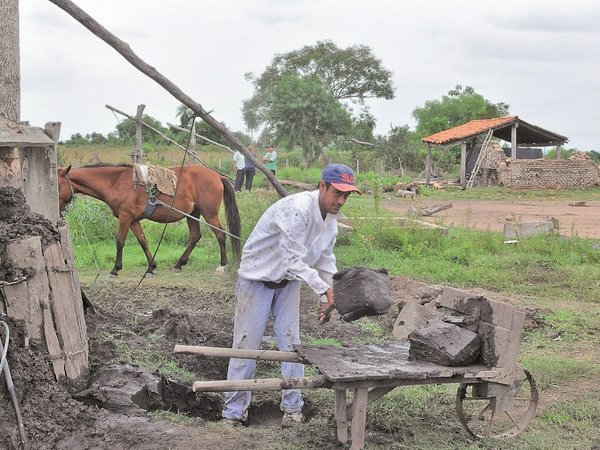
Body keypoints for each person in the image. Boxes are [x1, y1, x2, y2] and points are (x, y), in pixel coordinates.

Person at [222, 163, 361, 428]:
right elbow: (291, 260)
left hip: (289, 282)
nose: (341, 200)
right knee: (246, 346)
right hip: (256, 278)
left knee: (292, 344)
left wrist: (327, 296)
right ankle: (233, 412)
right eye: (337, 193)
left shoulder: (331, 222)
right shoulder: (297, 209)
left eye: (346, 195)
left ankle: (293, 408)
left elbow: (326, 258)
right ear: (322, 186)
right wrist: (321, 288)